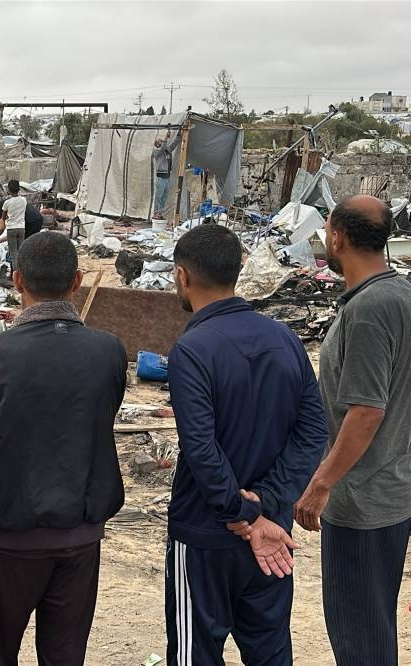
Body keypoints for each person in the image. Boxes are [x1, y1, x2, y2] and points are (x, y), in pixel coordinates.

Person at [0, 232, 126, 665]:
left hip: (6, 538)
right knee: (65, 657)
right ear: (77, 281)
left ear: (17, 280)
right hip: (79, 536)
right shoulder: (108, 351)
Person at [166, 223, 328, 665]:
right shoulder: (285, 338)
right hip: (273, 535)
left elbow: (200, 448)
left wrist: (243, 512)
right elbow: (314, 431)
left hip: (206, 533)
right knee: (270, 650)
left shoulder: (192, 350)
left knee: (194, 653)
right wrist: (268, 504)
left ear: (182, 276)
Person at [293, 195, 411, 666]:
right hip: (394, 491)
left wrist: (321, 484)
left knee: (359, 634)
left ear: (337, 238)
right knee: (376, 624)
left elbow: (366, 409)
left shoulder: (368, 311)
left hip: (361, 502)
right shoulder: (401, 295)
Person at [0, 180, 27, 266]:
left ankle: (15, 273)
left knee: (13, 253)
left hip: (12, 229)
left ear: (8, 190)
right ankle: (22, 272)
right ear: (19, 189)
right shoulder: (24, 200)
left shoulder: (7, 203)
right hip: (22, 228)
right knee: (20, 251)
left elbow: (3, 217)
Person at [153, 130, 179, 219]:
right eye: (160, 141)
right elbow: (162, 147)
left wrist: (179, 135)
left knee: (164, 196)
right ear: (157, 144)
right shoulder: (156, 151)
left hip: (167, 176)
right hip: (160, 176)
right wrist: (166, 138)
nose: (162, 142)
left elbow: (174, 144)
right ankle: (156, 212)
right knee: (158, 196)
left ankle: (160, 213)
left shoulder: (167, 150)